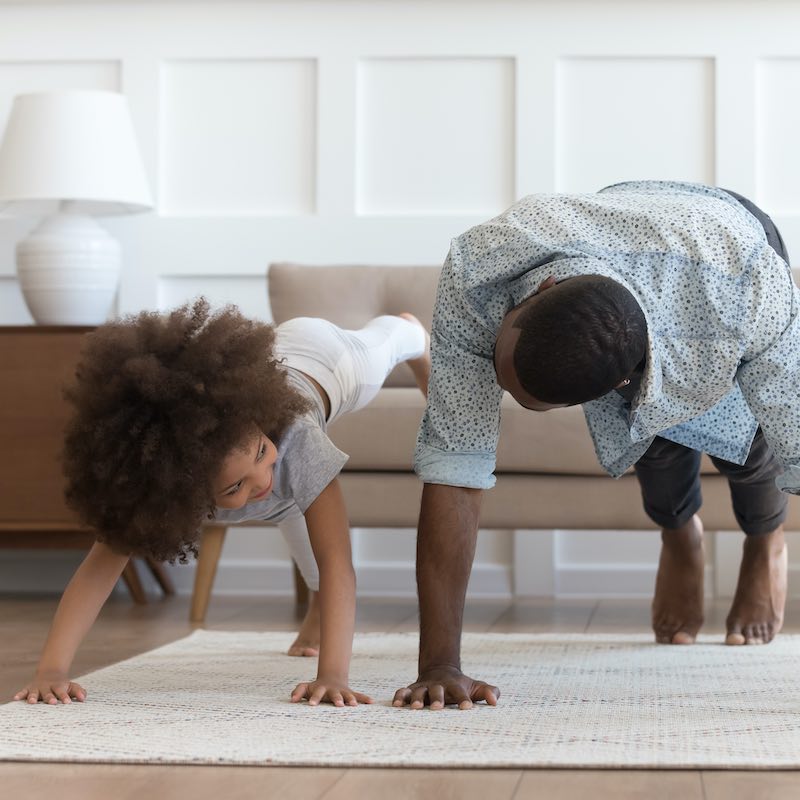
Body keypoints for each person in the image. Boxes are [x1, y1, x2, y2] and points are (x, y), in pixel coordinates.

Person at [392, 180, 799, 711]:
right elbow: (455, 462)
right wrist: (439, 666)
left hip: (728, 241)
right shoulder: (482, 269)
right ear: (541, 290)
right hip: (630, 215)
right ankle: (679, 535)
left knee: (752, 447)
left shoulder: (749, 286)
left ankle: (764, 541)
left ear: (621, 382)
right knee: (654, 442)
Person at [13, 299, 430, 708]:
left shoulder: (296, 442)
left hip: (326, 358)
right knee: (287, 503)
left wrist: (332, 675)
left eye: (261, 452)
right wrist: (51, 669)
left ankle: (410, 330)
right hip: (280, 363)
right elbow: (96, 574)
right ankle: (315, 617)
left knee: (387, 344)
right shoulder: (168, 483)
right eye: (235, 488)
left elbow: (337, 560)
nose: (263, 479)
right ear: (183, 491)